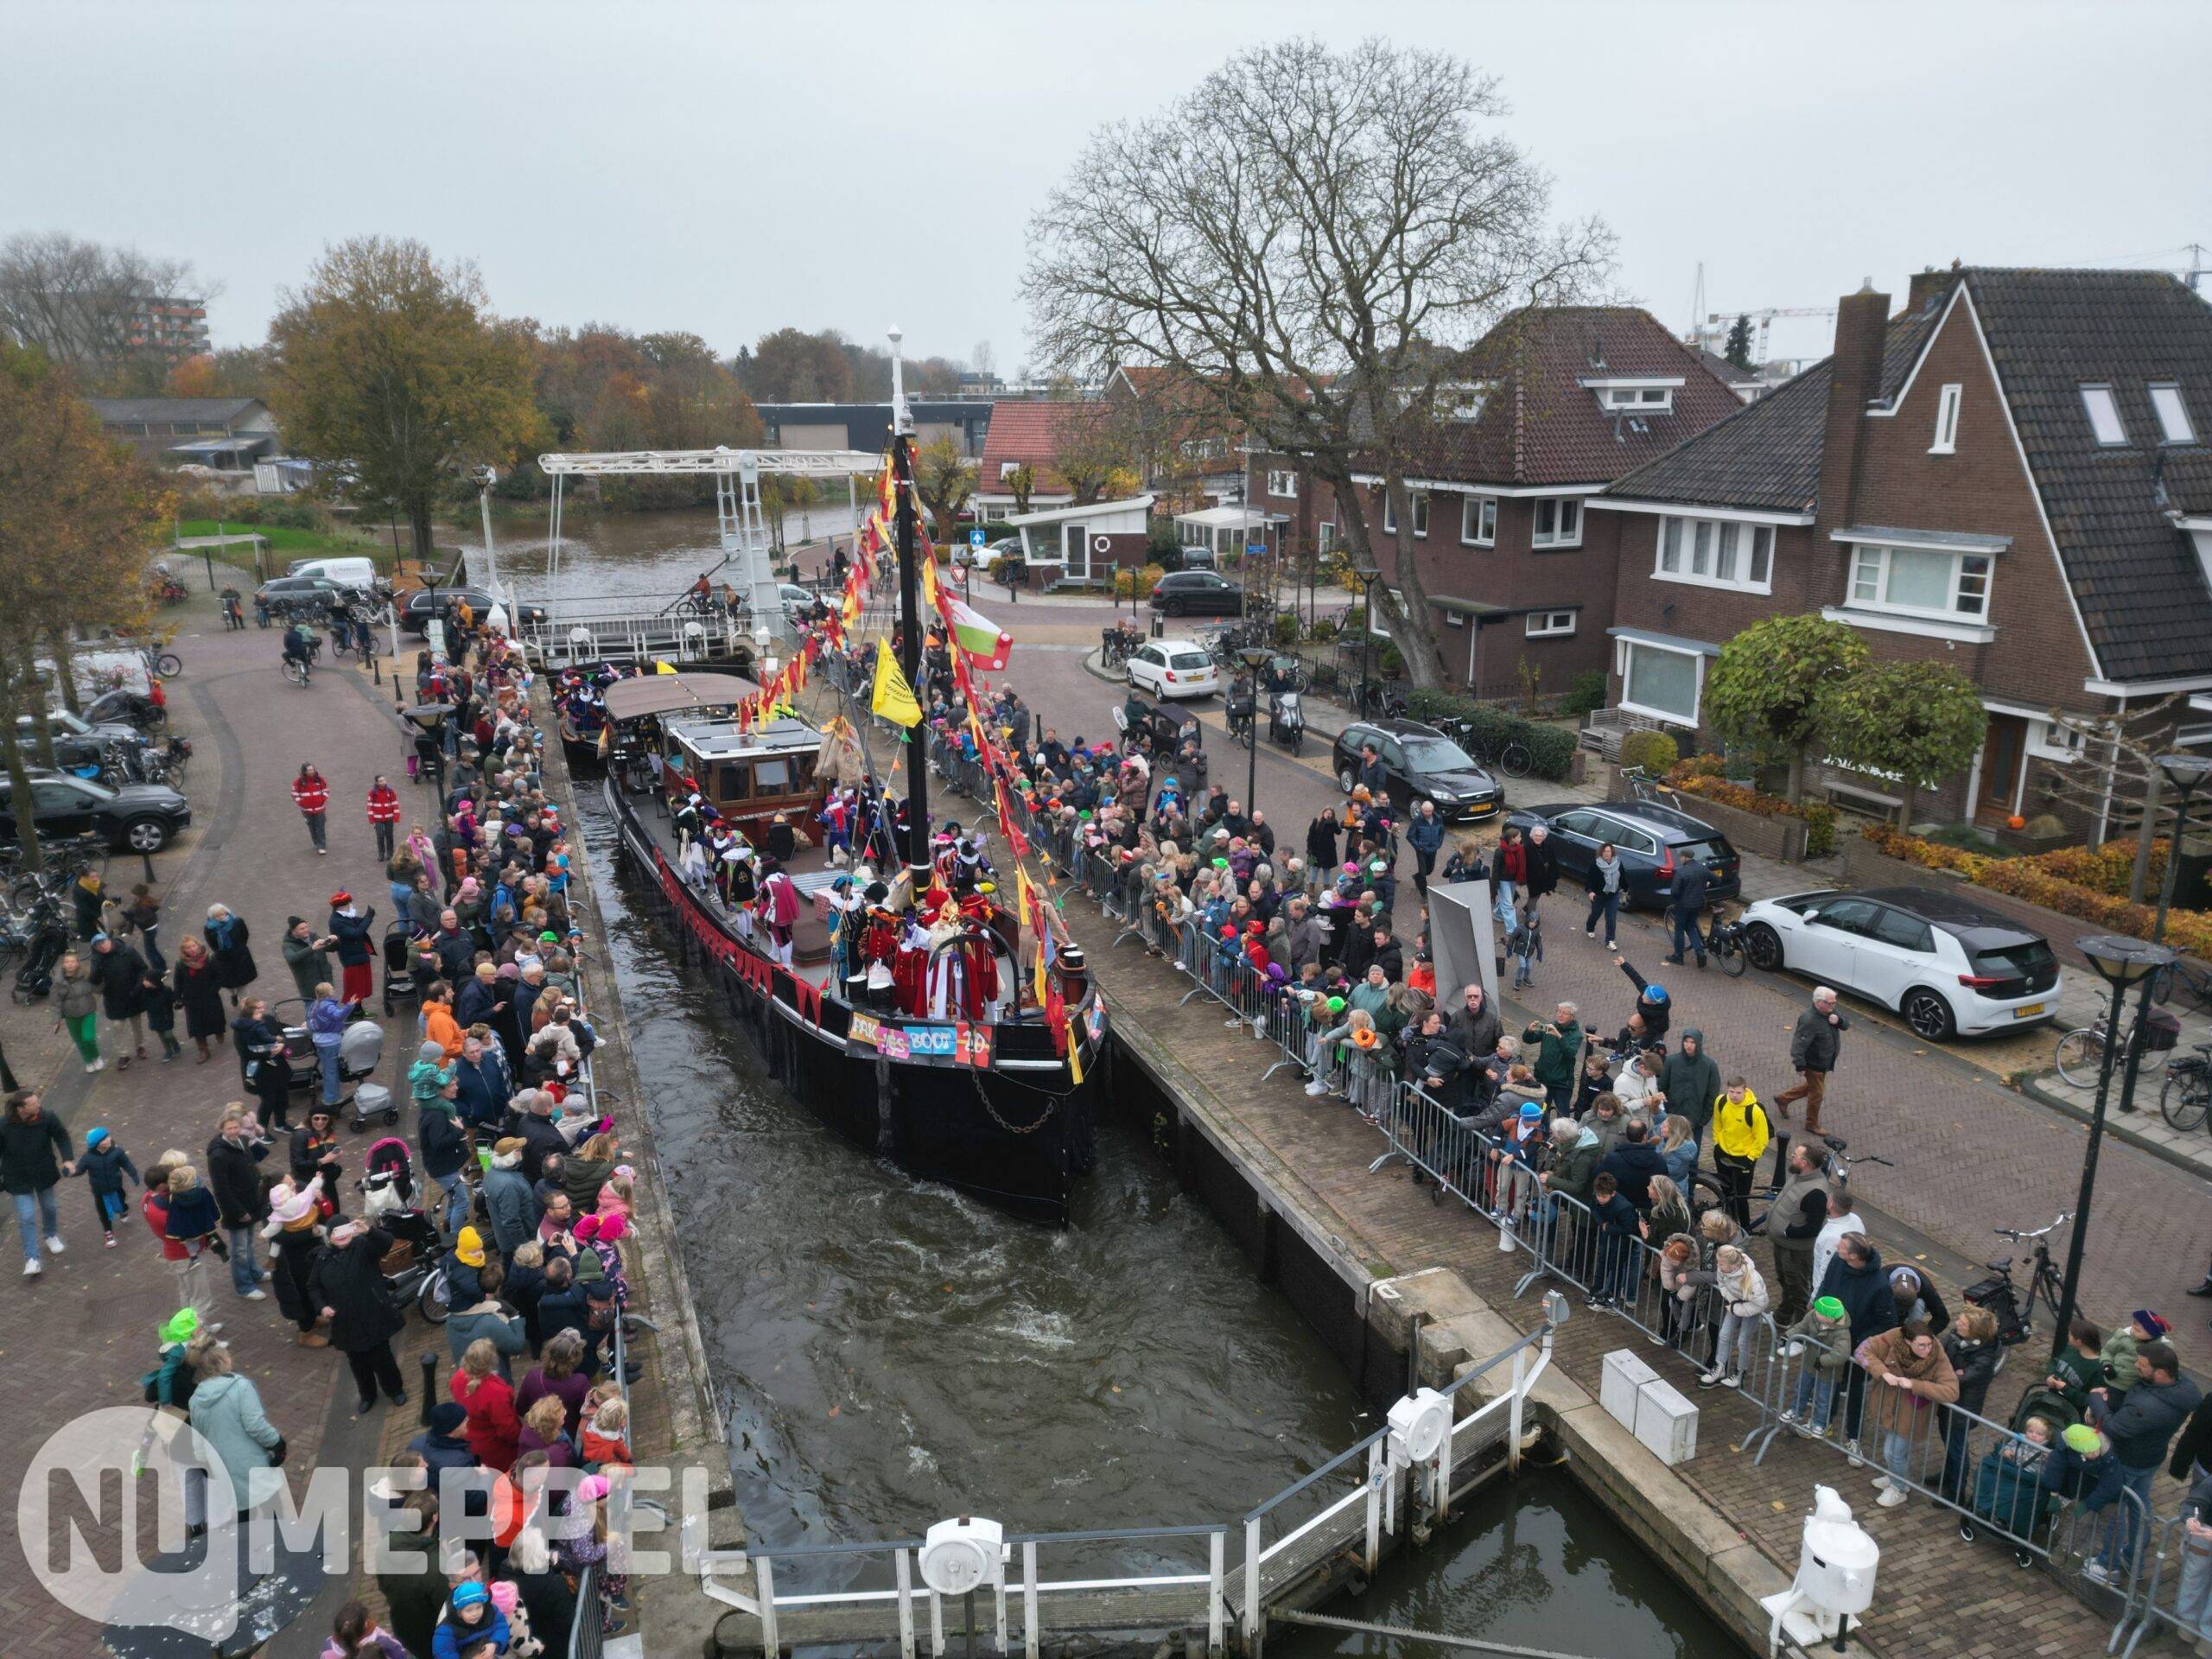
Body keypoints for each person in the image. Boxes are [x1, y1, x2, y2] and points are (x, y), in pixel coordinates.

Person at [2088, 1338, 2202, 1580]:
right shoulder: (2183, 1387)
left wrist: (2096, 1400)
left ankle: (2108, 1565)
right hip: (2149, 1459)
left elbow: (2114, 1428)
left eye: (2141, 1365)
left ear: (2160, 1373)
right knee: (2140, 1509)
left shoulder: (2148, 1406)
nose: (2136, 1367)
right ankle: (2133, 1559)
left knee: (2116, 1512)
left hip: (2127, 1461)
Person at [1858, 1319, 1958, 1508]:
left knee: (1893, 1453)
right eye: (1921, 1345)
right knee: (1893, 1451)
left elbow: (1952, 1391)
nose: (1927, 1350)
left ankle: (1899, 1488)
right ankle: (1895, 1476)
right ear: (1907, 1341)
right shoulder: (1892, 1338)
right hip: (1888, 1408)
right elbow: (1862, 1351)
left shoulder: (1938, 1356)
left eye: (1929, 1344)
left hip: (1912, 1416)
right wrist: (1883, 1372)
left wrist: (1915, 1385)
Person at [314, 1220, 410, 1414]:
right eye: (336, 1232)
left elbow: (386, 1243)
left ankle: (395, 1390)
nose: (341, 1235)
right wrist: (322, 1306)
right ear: (329, 1237)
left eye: (345, 1230)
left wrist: (369, 1231)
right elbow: (313, 1286)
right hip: (346, 1322)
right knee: (357, 1362)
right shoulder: (322, 1257)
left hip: (372, 1315)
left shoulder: (364, 1245)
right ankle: (368, 1395)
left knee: (382, 1357)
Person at [188, 1337, 284, 1515]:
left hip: (222, 1466)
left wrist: (206, 1464)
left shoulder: (195, 1400)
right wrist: (277, 1443)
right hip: (251, 1461)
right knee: (272, 1509)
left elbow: (199, 1441)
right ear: (222, 1362)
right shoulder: (241, 1387)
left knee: (243, 1513)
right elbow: (255, 1425)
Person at [3, 1090, 74, 1276]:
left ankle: (50, 1235)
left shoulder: (47, 1117)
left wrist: (67, 1160)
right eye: (34, 1103)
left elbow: (62, 1136)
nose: (39, 1105)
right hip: (17, 1178)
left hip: (43, 1173)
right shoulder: (4, 1125)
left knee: (49, 1207)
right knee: (26, 1216)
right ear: (21, 1109)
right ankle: (32, 1259)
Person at [206, 1108, 272, 1301]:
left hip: (251, 1202)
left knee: (248, 1242)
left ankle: (254, 1273)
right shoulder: (218, 1156)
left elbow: (251, 1168)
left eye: (236, 1127)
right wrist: (239, 1211)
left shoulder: (242, 1141)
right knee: (240, 1249)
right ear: (222, 1129)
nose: (234, 1131)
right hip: (237, 1209)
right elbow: (221, 1189)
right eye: (229, 1128)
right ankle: (244, 1286)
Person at [1768, 1141, 1831, 1327]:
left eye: (1795, 1156)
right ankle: (1782, 1317)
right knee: (1786, 1282)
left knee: (1798, 1290)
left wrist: (1786, 1231)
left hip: (1795, 1251)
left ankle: (1801, 1332)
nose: (1792, 1158)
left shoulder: (1816, 1193)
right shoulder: (1799, 1177)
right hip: (1783, 1244)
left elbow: (1813, 1228)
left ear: (1805, 1163)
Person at [1774, 987, 1847, 1135]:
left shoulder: (1830, 1012)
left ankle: (1783, 1098)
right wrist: (1800, 1065)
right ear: (1819, 1002)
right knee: (1817, 1095)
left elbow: (1846, 1025)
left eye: (1834, 1003)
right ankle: (1811, 1124)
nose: (1833, 1006)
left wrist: (1839, 1021)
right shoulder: (1809, 1020)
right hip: (1814, 1064)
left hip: (1825, 1062)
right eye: (1830, 1003)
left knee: (1812, 1087)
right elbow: (1799, 1044)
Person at [1781, 1294, 1854, 1440]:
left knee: (1823, 1398)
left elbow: (1841, 1354)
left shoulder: (1842, 1333)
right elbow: (1801, 1327)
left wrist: (1822, 1361)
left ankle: (1820, 1424)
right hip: (1810, 1363)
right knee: (1801, 1387)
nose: (1816, 1312)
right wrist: (1788, 1336)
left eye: (1820, 1312)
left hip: (1828, 1371)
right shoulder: (1813, 1316)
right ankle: (1796, 1411)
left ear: (1830, 1318)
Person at [1700, 1244, 1770, 1390]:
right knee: (1724, 1335)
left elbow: (1761, 1303)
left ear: (1733, 1266)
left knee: (1742, 1341)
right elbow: (1722, 1284)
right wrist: (1733, 1301)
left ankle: (1740, 1373)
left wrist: (1736, 1308)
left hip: (1751, 1309)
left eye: (1721, 1263)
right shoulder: (1723, 1269)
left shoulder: (1753, 1280)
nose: (1718, 1266)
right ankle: (1719, 1368)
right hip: (1735, 1304)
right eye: (1718, 1262)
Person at [1709, 1077, 1769, 1228]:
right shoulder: (1721, 1101)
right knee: (1726, 1193)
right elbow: (1717, 1123)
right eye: (1731, 1092)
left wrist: (1750, 1157)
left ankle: (1745, 1228)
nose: (1734, 1096)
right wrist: (1717, 1143)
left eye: (1738, 1092)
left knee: (1741, 1197)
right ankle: (1729, 1222)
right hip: (1723, 1153)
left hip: (1744, 1159)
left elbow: (1762, 1138)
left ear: (1745, 1090)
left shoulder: (1755, 1111)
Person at [89, 931, 150, 1069]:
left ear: (109, 940)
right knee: (117, 1026)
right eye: (98, 946)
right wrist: (97, 966)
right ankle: (123, 1055)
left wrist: (138, 986)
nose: (102, 946)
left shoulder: (128, 951)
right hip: (113, 998)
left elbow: (142, 968)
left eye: (103, 942)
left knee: (136, 1024)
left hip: (132, 994)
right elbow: (94, 981)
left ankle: (140, 1047)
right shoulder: (97, 959)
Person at [1522, 1002, 1585, 1113]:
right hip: (1543, 1078)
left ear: (1572, 1017)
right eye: (1559, 1011)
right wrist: (1529, 1031)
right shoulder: (1549, 1027)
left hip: (1562, 1082)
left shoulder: (1576, 1035)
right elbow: (1529, 1040)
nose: (1560, 1015)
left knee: (1562, 1113)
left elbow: (1570, 1052)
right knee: (1541, 1111)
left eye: (1565, 1013)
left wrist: (1559, 1036)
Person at [174, 935, 229, 1061]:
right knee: (196, 1025)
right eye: (188, 948)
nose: (192, 949)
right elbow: (178, 982)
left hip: (210, 996)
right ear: (184, 950)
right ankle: (203, 1049)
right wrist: (178, 998)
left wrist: (213, 990)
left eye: (193, 946)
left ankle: (219, 1032)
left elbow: (219, 976)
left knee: (215, 1019)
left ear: (198, 946)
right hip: (191, 999)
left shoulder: (210, 959)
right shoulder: (181, 964)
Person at [1663, 848, 1713, 968]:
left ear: (1685, 857)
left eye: (1681, 857)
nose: (1680, 859)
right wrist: (1706, 885)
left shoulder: (1681, 872)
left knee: (1679, 929)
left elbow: (1674, 892)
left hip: (1683, 906)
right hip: (1698, 904)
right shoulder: (1703, 869)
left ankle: (1678, 957)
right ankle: (1700, 952)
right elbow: (1717, 880)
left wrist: (1678, 898)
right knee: (1691, 927)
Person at [53, 951, 101, 1073]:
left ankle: (96, 1057)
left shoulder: (86, 976)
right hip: (70, 1015)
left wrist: (103, 977)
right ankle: (88, 1061)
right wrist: (56, 1020)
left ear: (78, 963)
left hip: (88, 1011)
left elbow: (99, 988)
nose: (70, 964)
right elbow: (56, 1001)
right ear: (63, 965)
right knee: (79, 1040)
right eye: (67, 962)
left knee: (88, 1038)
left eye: (73, 961)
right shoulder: (58, 982)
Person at [204, 904, 257, 1007]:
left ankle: (246, 1007)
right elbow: (212, 944)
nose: (221, 917)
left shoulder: (237, 922)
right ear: (212, 917)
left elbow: (244, 935)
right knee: (229, 983)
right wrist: (222, 952)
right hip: (224, 959)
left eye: (222, 914)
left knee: (243, 983)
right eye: (217, 916)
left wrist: (240, 948)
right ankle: (233, 994)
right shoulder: (209, 929)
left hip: (240, 957)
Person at [1583, 842, 1625, 950]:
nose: (1607, 853)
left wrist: (1624, 890)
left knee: (1611, 918)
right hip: (1599, 895)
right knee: (1595, 915)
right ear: (1601, 853)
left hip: (1613, 895)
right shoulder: (1595, 864)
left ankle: (1610, 941)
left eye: (1609, 851)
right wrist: (1590, 892)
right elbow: (1589, 880)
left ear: (1612, 852)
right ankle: (1590, 927)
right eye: (1605, 851)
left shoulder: (1618, 863)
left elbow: (1623, 879)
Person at [367, 775, 403, 862]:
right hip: (378, 818)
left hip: (389, 817)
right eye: (380, 781)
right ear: (376, 783)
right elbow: (370, 806)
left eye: (384, 780)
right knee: (380, 836)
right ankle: (381, 853)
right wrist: (371, 819)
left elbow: (395, 804)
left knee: (389, 835)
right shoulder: (372, 793)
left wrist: (396, 816)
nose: (383, 782)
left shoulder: (390, 791)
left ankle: (390, 853)